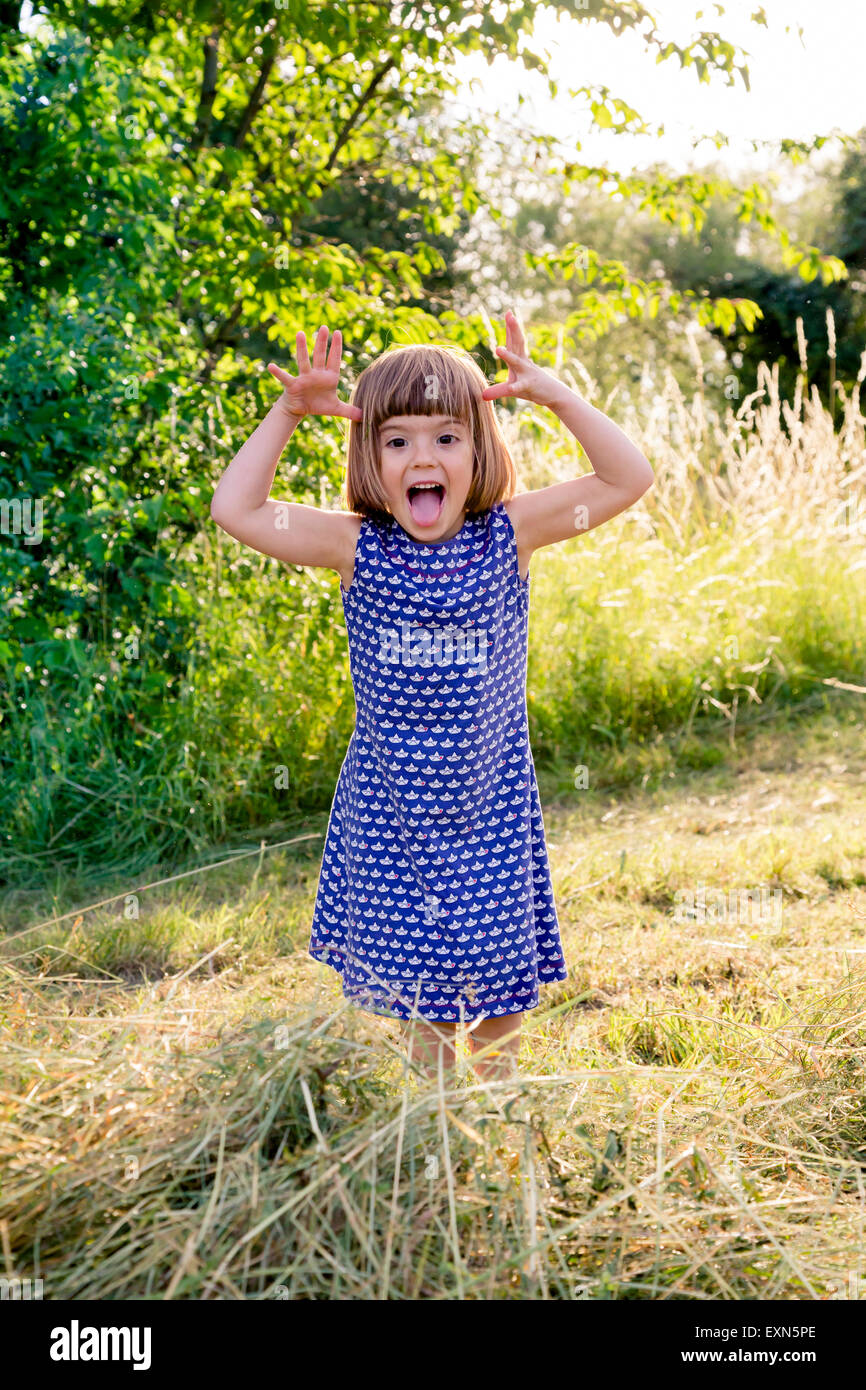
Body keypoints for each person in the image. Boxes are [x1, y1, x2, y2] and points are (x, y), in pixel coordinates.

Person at [210, 311, 654, 1085]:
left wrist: (559, 398)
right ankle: (433, 1139)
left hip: (488, 811)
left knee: (498, 998)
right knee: (426, 1013)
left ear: (479, 450)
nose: (424, 456)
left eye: (447, 437)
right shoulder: (354, 546)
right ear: (371, 457)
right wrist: (288, 412)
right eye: (399, 440)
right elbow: (236, 511)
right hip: (394, 819)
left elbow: (628, 478)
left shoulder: (510, 534)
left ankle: (493, 1126)